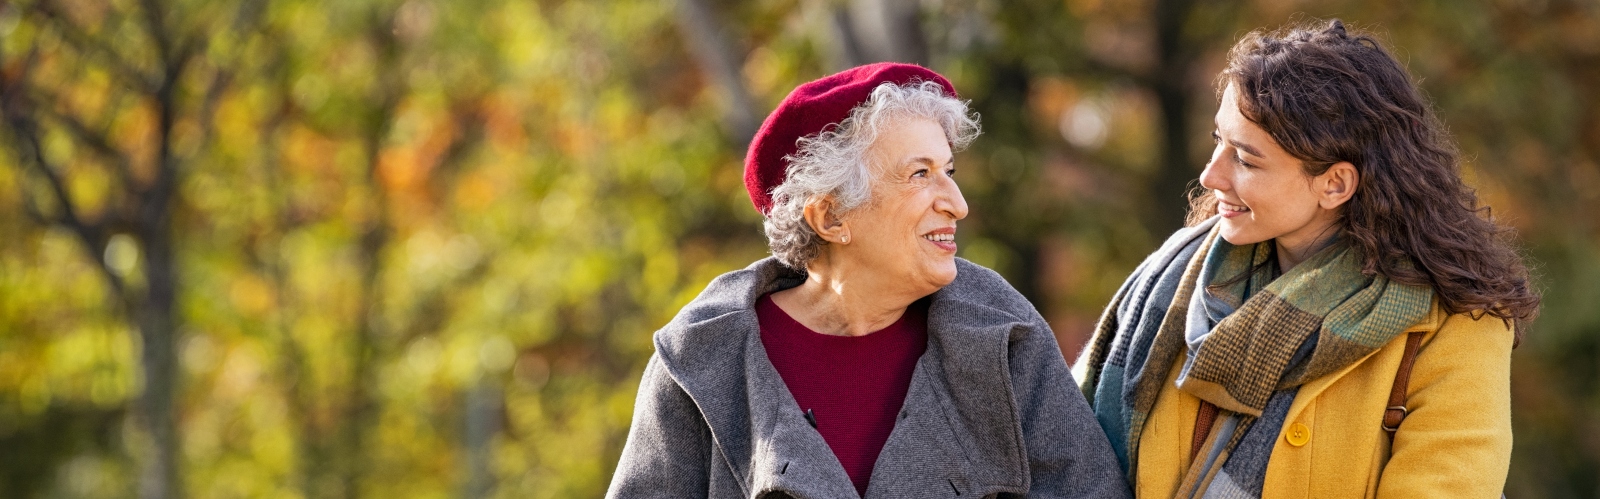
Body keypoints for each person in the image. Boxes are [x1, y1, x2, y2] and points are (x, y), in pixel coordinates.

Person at [607, 63, 1130, 498]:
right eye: (920, 175)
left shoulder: (1005, 335)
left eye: (950, 171)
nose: (957, 204)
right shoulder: (702, 359)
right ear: (832, 218)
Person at [1078, 20, 1539, 498]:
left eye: (1245, 159)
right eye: (1219, 140)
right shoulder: (1171, 284)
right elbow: (1069, 459)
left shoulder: (1457, 326)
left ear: (1334, 184)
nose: (1211, 176)